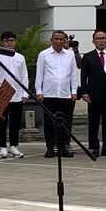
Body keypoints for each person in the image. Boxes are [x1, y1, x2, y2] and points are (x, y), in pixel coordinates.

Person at [36, 30, 79, 158]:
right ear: (52, 40)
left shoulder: (69, 55)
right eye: (56, 39)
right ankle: (50, 148)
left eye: (61, 39)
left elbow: (73, 74)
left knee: (65, 122)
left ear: (64, 41)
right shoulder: (44, 55)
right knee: (49, 123)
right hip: (49, 94)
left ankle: (63, 147)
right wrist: (39, 91)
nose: (59, 41)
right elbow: (40, 74)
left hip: (65, 94)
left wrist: (74, 91)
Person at [79, 29, 106, 158]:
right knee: (94, 122)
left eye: (103, 38)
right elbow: (83, 76)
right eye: (98, 38)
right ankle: (94, 147)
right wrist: (84, 92)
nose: (101, 41)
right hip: (94, 94)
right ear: (93, 41)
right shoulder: (88, 56)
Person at [0, 31, 29, 159]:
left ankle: (13, 146)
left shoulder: (20, 57)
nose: (9, 43)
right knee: (2, 122)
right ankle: (3, 147)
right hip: (2, 94)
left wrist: (25, 93)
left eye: (11, 40)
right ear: (2, 42)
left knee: (15, 122)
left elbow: (24, 76)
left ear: (15, 41)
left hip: (17, 94)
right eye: (6, 41)